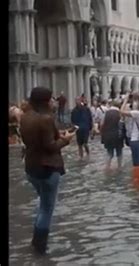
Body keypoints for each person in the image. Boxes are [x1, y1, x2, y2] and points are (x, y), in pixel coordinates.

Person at [20, 87, 75, 255]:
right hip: (48, 168)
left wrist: (59, 136)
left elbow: (39, 140)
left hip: (31, 168)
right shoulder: (45, 119)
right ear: (44, 101)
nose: (53, 102)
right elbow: (50, 146)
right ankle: (40, 247)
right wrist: (66, 140)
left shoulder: (25, 117)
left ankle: (36, 243)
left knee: (42, 204)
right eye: (51, 99)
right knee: (46, 207)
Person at [100, 100, 124, 173]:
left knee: (109, 153)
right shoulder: (120, 113)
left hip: (108, 136)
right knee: (119, 152)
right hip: (118, 136)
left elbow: (102, 124)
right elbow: (122, 124)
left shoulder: (106, 113)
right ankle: (119, 167)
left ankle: (107, 167)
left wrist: (102, 133)